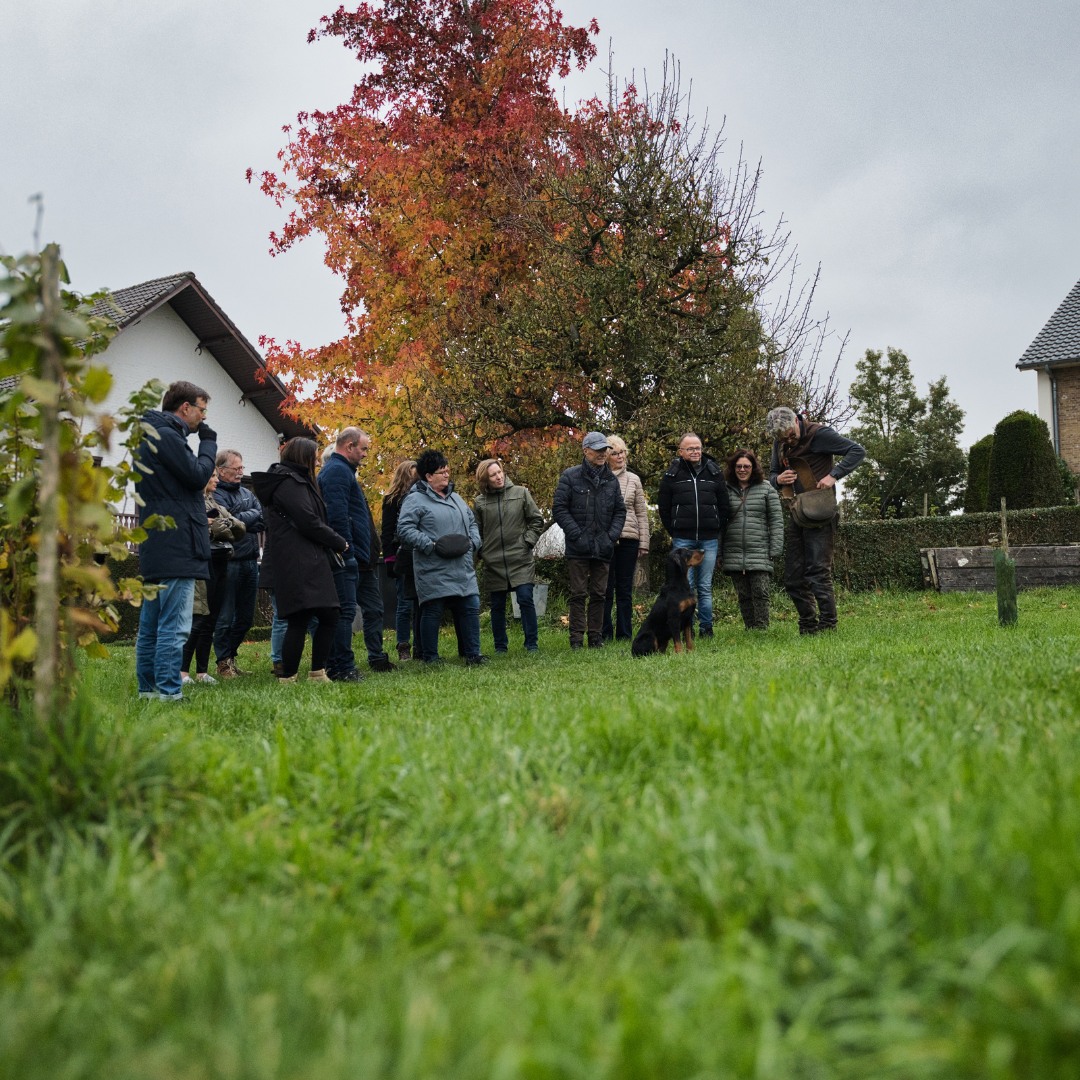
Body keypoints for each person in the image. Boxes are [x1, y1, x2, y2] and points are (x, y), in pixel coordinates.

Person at [134, 380, 217, 701]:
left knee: (152, 625)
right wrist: (209, 443)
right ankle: (169, 693)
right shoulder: (168, 436)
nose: (203, 418)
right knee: (173, 625)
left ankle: (149, 692)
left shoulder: (151, 436)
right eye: (202, 410)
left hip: (159, 543)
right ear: (186, 408)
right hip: (177, 544)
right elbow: (197, 477)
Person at [251, 438, 347, 682]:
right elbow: (308, 521)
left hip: (308, 557)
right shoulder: (289, 482)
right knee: (300, 617)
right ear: (303, 456)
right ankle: (289, 676)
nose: (317, 460)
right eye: (314, 455)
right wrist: (337, 541)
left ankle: (316, 672)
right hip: (298, 559)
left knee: (329, 614)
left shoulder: (296, 480)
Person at [765, 406, 866, 634]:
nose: (789, 441)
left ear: (797, 421)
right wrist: (778, 479)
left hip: (820, 512)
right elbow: (771, 474)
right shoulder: (779, 442)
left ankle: (828, 627)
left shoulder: (819, 434)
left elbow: (857, 451)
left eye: (792, 435)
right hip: (797, 512)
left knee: (818, 573)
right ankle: (808, 627)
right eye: (784, 439)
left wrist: (833, 475)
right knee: (792, 578)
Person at [396, 449, 486, 666]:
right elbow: (404, 528)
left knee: (470, 606)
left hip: (462, 566)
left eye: (447, 471)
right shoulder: (415, 499)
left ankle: (473, 655)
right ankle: (431, 657)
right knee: (432, 609)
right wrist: (429, 545)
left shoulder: (456, 498)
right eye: (441, 472)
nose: (447, 475)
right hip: (433, 566)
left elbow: (472, 523)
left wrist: (474, 542)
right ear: (428, 476)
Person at [317, 427, 395, 678]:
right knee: (345, 613)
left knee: (371, 609)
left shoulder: (345, 472)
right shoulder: (337, 471)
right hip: (349, 558)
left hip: (362, 558)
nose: (365, 454)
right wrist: (346, 551)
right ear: (349, 446)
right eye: (363, 449)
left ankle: (372, 658)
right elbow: (337, 517)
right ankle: (341, 667)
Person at [551, 431, 627, 649]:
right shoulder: (570, 476)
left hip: (603, 546)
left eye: (605, 449)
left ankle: (595, 637)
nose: (603, 454)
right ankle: (576, 638)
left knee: (599, 595)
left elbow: (620, 511)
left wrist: (611, 537)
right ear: (586, 451)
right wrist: (576, 534)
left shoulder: (611, 479)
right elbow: (559, 509)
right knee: (578, 594)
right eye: (598, 450)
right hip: (578, 547)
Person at [656, 432, 728, 639]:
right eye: (690, 448)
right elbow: (664, 507)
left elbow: (723, 505)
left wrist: (715, 528)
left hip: (709, 539)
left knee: (704, 587)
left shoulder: (714, 472)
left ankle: (707, 628)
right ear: (681, 452)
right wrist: (675, 530)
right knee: (685, 587)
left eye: (698, 448)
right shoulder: (672, 475)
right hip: (683, 539)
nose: (695, 451)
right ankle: (688, 628)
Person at [473, 459, 545, 654]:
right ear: (484, 479)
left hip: (520, 558)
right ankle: (500, 647)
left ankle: (532, 644)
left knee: (525, 599)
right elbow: (476, 532)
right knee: (497, 605)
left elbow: (537, 519)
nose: (499, 476)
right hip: (493, 561)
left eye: (500, 472)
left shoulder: (521, 493)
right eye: (493, 474)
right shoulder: (479, 502)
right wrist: (481, 552)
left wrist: (528, 542)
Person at [181, 472, 246, 682]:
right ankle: (182, 672)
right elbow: (203, 528)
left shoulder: (214, 502)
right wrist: (218, 526)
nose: (217, 480)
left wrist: (216, 526)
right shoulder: (191, 501)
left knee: (211, 620)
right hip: (202, 563)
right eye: (213, 476)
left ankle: (202, 672)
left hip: (221, 562)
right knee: (198, 618)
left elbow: (239, 527)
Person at [211, 449, 264, 679]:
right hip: (229, 562)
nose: (241, 472)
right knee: (224, 617)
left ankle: (231, 658)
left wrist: (238, 519)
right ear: (221, 470)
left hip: (251, 562)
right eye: (236, 469)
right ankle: (222, 663)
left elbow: (261, 518)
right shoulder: (216, 495)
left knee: (245, 619)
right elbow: (223, 524)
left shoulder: (246, 493)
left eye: (242, 468)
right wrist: (242, 519)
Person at [721, 448, 783, 630]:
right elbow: (719, 524)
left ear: (753, 467)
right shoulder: (724, 490)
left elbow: (777, 521)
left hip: (760, 550)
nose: (742, 469)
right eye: (738, 466)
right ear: (733, 468)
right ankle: (750, 628)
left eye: (746, 466)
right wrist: (718, 553)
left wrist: (775, 549)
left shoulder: (766, 488)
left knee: (761, 592)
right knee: (743, 594)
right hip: (732, 551)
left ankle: (762, 628)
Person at [601, 436, 649, 642]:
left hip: (629, 539)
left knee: (624, 589)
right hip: (604, 539)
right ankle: (603, 633)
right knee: (604, 589)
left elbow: (641, 513)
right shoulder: (599, 478)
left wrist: (644, 542)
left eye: (622, 452)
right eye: (615, 453)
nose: (620, 456)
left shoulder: (634, 479)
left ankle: (624, 634)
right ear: (606, 457)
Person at [382, 459, 420, 663]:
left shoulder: (422, 499)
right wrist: (389, 559)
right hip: (401, 557)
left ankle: (421, 645)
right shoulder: (391, 500)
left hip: (420, 554)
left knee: (421, 603)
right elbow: (387, 531)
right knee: (404, 604)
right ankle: (403, 645)